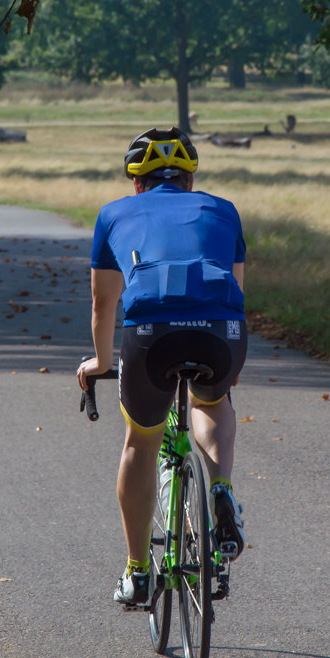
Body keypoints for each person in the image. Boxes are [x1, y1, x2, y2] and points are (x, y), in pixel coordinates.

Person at [76, 127, 248, 608]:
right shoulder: (224, 210)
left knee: (141, 441)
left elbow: (102, 301)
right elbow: (236, 292)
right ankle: (221, 489)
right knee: (212, 401)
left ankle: (137, 574)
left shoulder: (112, 214)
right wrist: (231, 360)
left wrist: (102, 362)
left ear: (136, 184)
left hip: (151, 336)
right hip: (221, 332)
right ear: (191, 180)